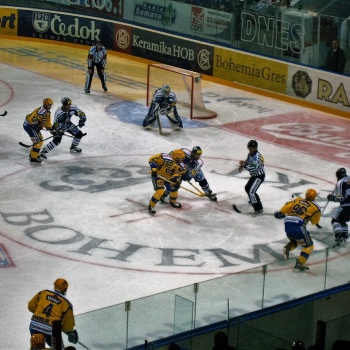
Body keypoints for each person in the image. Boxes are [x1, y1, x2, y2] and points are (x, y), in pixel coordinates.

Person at [274, 189, 321, 271]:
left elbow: (285, 208)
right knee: (309, 246)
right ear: (314, 197)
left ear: (306, 195)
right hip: (298, 225)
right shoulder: (316, 207)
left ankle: (288, 248)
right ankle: (300, 263)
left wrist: (281, 213)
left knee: (295, 241)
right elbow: (315, 221)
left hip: (288, 223)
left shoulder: (298, 200)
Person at [28, 278, 79, 348]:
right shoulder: (67, 303)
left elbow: (31, 306)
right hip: (51, 330)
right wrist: (70, 333)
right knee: (59, 348)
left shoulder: (43, 292)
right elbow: (68, 324)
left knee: (37, 347)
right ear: (65, 289)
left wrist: (40, 314)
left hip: (35, 325)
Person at [148, 149, 186, 214]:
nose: (181, 160)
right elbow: (152, 160)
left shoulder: (181, 165)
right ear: (177, 157)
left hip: (169, 178)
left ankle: (173, 202)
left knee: (174, 189)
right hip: (159, 176)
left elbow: (177, 174)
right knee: (160, 191)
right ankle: (151, 206)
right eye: (181, 158)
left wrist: (176, 181)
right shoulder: (164, 157)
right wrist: (154, 169)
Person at [237, 140, 265, 213]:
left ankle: (258, 208)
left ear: (255, 148)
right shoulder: (250, 154)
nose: (249, 149)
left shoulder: (257, 157)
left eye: (251, 148)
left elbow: (253, 168)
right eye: (249, 147)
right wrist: (242, 165)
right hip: (254, 175)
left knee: (251, 192)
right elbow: (248, 161)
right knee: (247, 188)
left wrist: (244, 165)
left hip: (259, 176)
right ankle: (254, 200)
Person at [23, 98, 53, 164]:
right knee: (38, 142)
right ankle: (33, 158)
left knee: (40, 140)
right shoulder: (41, 111)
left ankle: (33, 154)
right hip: (29, 126)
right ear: (45, 105)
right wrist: (36, 126)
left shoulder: (47, 112)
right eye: (49, 105)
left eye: (51, 105)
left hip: (31, 126)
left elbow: (47, 124)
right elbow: (32, 121)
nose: (50, 106)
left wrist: (52, 129)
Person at [327, 167, 350, 249]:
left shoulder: (340, 182)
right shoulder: (349, 179)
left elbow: (341, 197)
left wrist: (332, 197)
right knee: (342, 221)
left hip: (346, 206)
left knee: (335, 220)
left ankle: (340, 237)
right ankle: (344, 236)